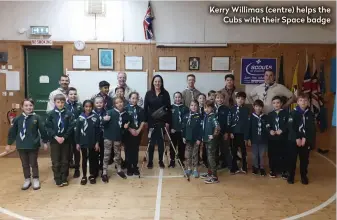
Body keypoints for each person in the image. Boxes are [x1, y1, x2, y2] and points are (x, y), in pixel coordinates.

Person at [6, 98, 49, 190]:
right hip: (21, 145)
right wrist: (9, 144)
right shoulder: (17, 119)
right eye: (26, 105)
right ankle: (27, 179)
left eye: (30, 105)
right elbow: (12, 132)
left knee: (33, 163)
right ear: (22, 107)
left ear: (33, 106)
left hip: (33, 145)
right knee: (24, 164)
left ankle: (36, 179)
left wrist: (45, 142)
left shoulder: (37, 117)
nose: (28, 107)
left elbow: (43, 130)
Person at [45, 94, 75, 187]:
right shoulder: (50, 114)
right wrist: (55, 137)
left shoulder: (69, 114)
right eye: (58, 102)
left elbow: (71, 126)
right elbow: (48, 127)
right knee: (56, 160)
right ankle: (57, 178)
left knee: (65, 160)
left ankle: (64, 177)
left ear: (64, 102)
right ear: (54, 103)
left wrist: (64, 137)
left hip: (65, 140)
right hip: (54, 141)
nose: (60, 104)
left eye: (62, 102)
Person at [144, 75, 171, 169]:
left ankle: (161, 161)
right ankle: (150, 161)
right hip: (151, 122)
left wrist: (167, 121)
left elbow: (168, 108)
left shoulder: (165, 93)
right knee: (151, 143)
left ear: (161, 83)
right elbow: (145, 108)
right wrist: (145, 121)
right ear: (153, 82)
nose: (157, 83)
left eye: (159, 81)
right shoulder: (148, 94)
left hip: (161, 122)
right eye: (155, 81)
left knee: (160, 143)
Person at [287, 93, 316, 185]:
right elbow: (291, 127)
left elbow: (311, 129)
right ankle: (291, 176)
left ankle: (303, 176)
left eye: (305, 100)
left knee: (304, 160)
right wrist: (297, 138)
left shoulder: (310, 114)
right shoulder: (293, 113)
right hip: (294, 140)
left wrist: (305, 138)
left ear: (308, 102)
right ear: (297, 102)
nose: (303, 102)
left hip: (305, 141)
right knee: (292, 159)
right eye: (301, 100)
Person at [101, 97, 130, 182]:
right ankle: (104, 172)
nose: (119, 104)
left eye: (120, 102)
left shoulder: (125, 114)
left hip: (118, 137)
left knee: (118, 154)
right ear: (114, 104)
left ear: (123, 102)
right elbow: (103, 124)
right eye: (117, 103)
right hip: (108, 137)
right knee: (107, 155)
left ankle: (119, 170)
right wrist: (104, 120)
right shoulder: (109, 112)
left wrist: (125, 128)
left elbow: (124, 128)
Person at [75, 100, 100, 185]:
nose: (88, 108)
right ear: (83, 107)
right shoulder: (80, 118)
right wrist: (77, 143)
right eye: (86, 106)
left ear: (92, 107)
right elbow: (77, 132)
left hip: (92, 142)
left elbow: (97, 131)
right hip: (83, 142)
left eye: (90, 106)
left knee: (92, 159)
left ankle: (92, 175)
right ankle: (84, 176)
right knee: (84, 159)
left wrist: (97, 142)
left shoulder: (95, 117)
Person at [245, 99, 269, 176]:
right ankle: (255, 167)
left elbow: (267, 128)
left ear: (262, 107)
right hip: (254, 139)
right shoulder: (251, 117)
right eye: (256, 106)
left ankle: (261, 167)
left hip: (263, 139)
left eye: (260, 107)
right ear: (254, 107)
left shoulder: (265, 117)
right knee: (255, 155)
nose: (258, 108)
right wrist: (248, 138)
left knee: (262, 155)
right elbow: (248, 128)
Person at [228, 92, 250, 174]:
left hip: (243, 134)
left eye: (242, 99)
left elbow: (247, 124)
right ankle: (234, 168)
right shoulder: (231, 109)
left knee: (244, 152)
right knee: (233, 151)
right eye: (238, 98)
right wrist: (230, 132)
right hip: (234, 134)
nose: (240, 100)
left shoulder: (246, 110)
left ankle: (244, 167)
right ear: (235, 99)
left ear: (244, 100)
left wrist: (246, 137)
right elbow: (229, 122)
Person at [268, 96, 289, 179]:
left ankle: (284, 170)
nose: (276, 104)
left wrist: (282, 130)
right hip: (272, 139)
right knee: (272, 154)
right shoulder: (270, 114)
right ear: (272, 104)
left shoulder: (286, 113)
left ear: (281, 103)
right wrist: (270, 130)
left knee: (283, 154)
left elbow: (288, 124)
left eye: (278, 102)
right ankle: (273, 170)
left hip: (283, 138)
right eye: (274, 103)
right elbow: (267, 124)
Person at [124, 92, 145, 176]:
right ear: (129, 99)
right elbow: (124, 122)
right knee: (128, 150)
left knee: (135, 150)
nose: (134, 100)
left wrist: (139, 130)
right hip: (128, 133)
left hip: (137, 133)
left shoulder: (140, 109)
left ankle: (135, 166)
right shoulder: (125, 109)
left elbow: (142, 121)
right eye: (132, 98)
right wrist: (130, 129)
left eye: (136, 98)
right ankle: (129, 167)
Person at [200, 100, 220, 184]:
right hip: (206, 140)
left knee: (211, 158)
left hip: (211, 141)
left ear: (212, 108)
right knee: (208, 157)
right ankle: (209, 173)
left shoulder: (213, 117)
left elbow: (218, 127)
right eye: (205, 107)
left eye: (208, 107)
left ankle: (215, 177)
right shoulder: (206, 116)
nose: (206, 109)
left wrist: (214, 135)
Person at [182, 100, 202, 178]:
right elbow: (183, 127)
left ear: (198, 107)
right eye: (192, 105)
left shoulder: (200, 116)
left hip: (196, 139)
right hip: (188, 139)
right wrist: (183, 136)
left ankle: (195, 169)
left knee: (195, 154)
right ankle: (189, 168)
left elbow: (201, 129)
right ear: (189, 106)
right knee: (188, 154)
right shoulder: (186, 116)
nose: (193, 107)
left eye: (195, 105)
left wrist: (199, 139)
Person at [65, 87, 82, 178]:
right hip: (67, 133)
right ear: (67, 95)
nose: (73, 96)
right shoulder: (64, 106)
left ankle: (77, 169)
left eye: (75, 94)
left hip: (77, 133)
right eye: (71, 94)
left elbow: (82, 117)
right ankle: (66, 169)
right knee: (67, 152)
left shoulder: (79, 105)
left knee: (76, 151)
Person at [169, 92, 189, 168]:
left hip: (182, 131)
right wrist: (171, 128)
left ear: (181, 98)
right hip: (173, 131)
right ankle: (172, 160)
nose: (177, 99)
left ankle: (181, 160)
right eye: (176, 97)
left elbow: (187, 120)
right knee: (172, 146)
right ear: (174, 98)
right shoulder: (171, 108)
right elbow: (169, 120)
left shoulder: (185, 108)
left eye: (179, 97)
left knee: (182, 146)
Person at [214, 92, 232, 169]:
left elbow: (228, 121)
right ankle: (216, 164)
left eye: (221, 98)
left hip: (223, 132)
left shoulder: (226, 109)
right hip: (214, 132)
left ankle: (228, 164)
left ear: (224, 99)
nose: (219, 99)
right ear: (215, 99)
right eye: (217, 98)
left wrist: (227, 132)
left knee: (225, 149)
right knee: (215, 149)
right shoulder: (212, 108)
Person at [92, 96, 106, 172]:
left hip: (103, 135)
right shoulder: (92, 113)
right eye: (97, 103)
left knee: (103, 151)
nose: (99, 104)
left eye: (101, 102)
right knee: (95, 151)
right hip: (94, 135)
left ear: (103, 103)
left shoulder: (106, 112)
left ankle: (102, 166)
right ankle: (95, 166)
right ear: (94, 104)